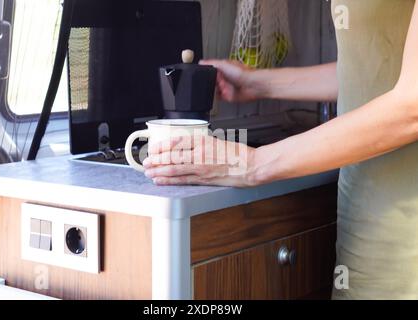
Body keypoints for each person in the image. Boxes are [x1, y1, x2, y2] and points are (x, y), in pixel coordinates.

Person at [143, 1, 418, 299]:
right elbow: (372, 66)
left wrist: (253, 164)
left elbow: (412, 106)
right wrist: (257, 84)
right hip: (365, 222)